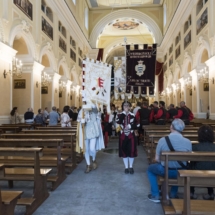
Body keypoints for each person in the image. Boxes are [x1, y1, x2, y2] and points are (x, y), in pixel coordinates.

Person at [147, 119, 192, 203]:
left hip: (165, 170)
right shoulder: (188, 142)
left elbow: (157, 159)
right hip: (180, 172)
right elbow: (187, 159)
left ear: (171, 127)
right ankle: (173, 194)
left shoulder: (162, 140)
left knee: (150, 169)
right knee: (180, 168)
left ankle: (155, 194)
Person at [77, 92, 104, 173]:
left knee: (92, 148)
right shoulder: (82, 110)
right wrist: (82, 121)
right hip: (84, 130)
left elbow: (98, 116)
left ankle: (94, 159)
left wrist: (94, 107)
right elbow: (78, 120)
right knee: (86, 149)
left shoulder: (95, 109)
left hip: (93, 130)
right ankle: (88, 165)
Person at [190, 125, 215, 200]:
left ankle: (191, 192)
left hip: (197, 170)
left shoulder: (195, 147)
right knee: (209, 166)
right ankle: (210, 193)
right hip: (213, 171)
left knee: (191, 166)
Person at [116, 101, 140, 174]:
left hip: (131, 135)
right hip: (123, 135)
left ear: (130, 107)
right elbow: (118, 122)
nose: (126, 107)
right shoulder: (119, 115)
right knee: (124, 151)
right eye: (124, 105)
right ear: (123, 107)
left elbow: (138, 125)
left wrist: (131, 126)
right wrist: (123, 113)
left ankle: (131, 166)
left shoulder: (133, 115)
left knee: (131, 151)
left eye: (127, 105)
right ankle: (126, 167)